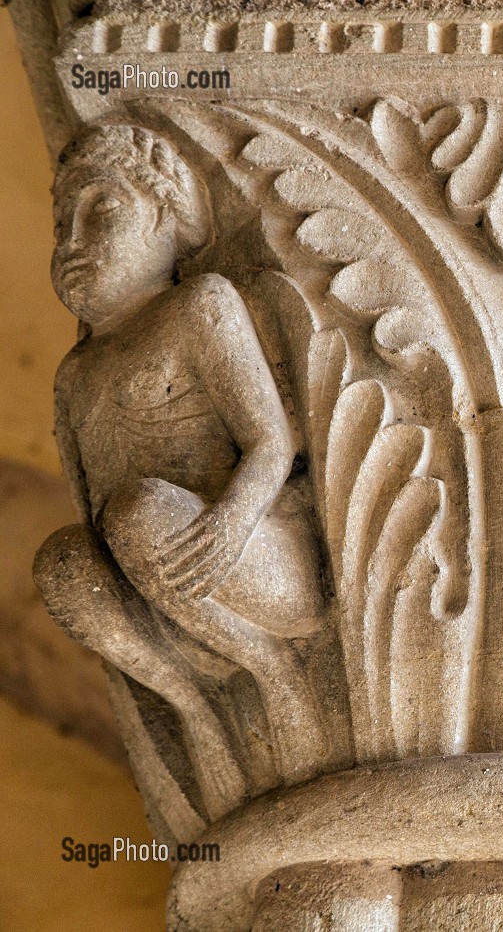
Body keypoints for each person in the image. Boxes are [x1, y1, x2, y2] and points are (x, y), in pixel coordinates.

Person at [35, 125, 326, 785]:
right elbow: (92, 516)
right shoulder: (75, 375)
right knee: (64, 563)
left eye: (102, 209)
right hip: (163, 591)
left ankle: (273, 668)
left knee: (138, 511)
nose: (73, 244)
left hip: (252, 558)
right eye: (62, 224)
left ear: (164, 213)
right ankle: (194, 708)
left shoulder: (199, 304)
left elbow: (272, 441)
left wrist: (229, 523)